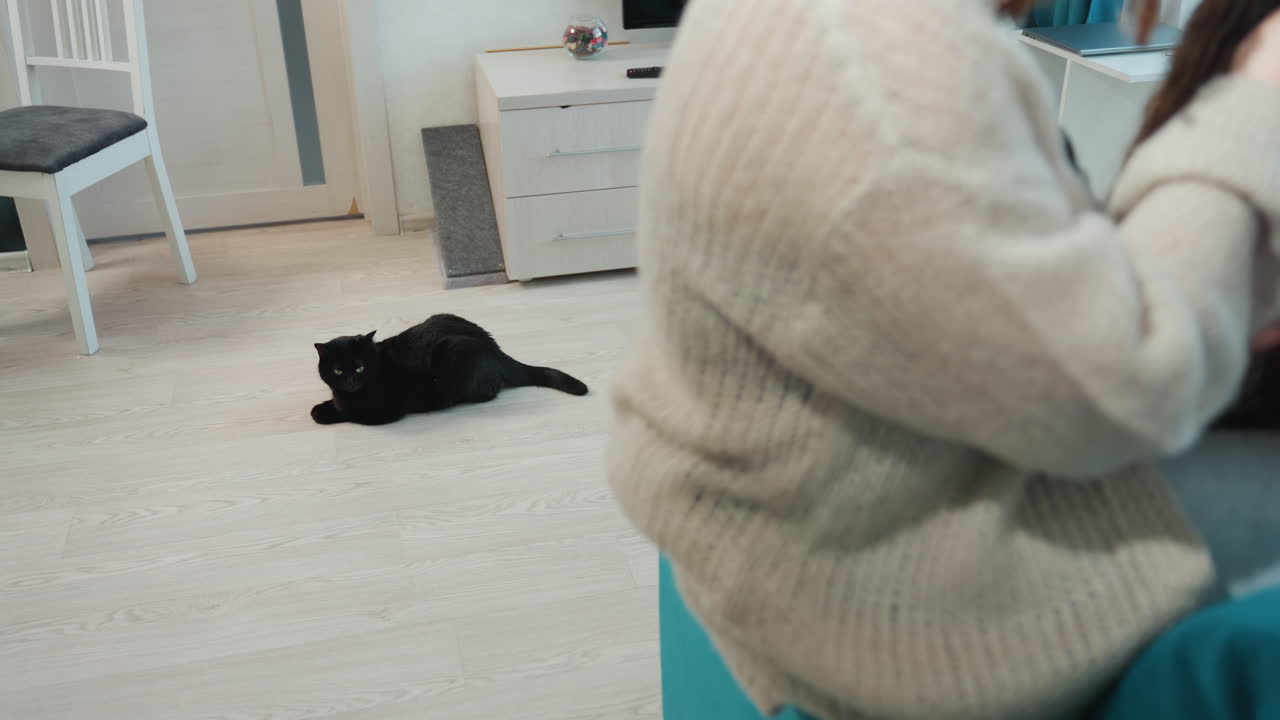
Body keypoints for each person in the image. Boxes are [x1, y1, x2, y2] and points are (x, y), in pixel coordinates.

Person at [607, 0, 1280, 718]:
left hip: (789, 511)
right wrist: (1252, 104)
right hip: (873, 590)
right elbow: (1137, 387)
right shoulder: (883, 76)